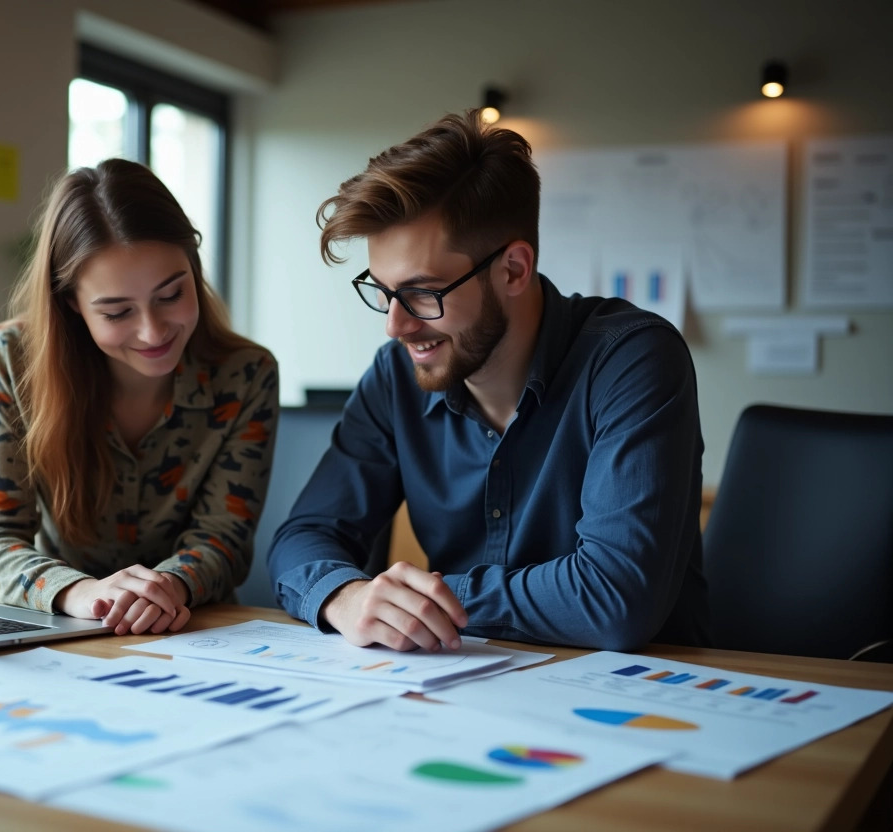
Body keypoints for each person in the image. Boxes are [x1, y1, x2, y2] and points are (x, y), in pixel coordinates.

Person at [267, 109, 707, 653]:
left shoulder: (632, 359)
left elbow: (615, 599)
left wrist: (420, 604)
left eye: (423, 292)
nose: (395, 325)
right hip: (463, 689)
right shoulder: (395, 375)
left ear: (514, 270)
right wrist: (347, 596)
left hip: (642, 696)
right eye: (382, 290)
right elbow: (301, 539)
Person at [0, 159, 279, 637]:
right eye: (116, 311)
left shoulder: (246, 375)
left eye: (171, 295)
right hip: (66, 626)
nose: (152, 331)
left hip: (194, 631)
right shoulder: (15, 359)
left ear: (193, 265)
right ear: (72, 304)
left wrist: (167, 587)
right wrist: (82, 593)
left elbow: (223, 539)